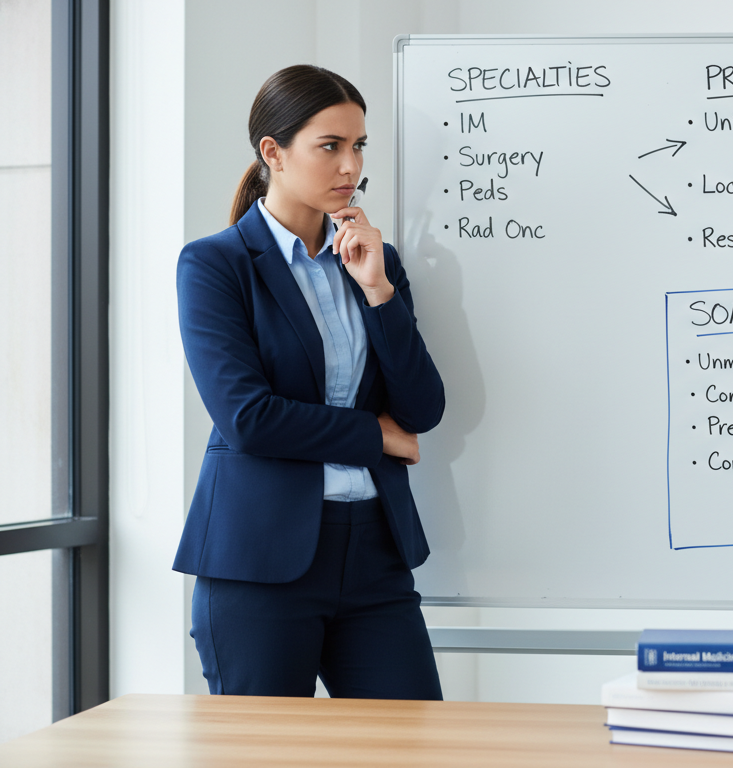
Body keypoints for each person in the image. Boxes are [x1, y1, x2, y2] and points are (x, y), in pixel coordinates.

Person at [174, 64, 443, 700]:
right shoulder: (215, 265)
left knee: (417, 748)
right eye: (330, 146)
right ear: (274, 152)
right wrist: (373, 436)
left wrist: (378, 291)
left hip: (376, 553)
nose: (350, 167)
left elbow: (423, 407)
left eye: (358, 147)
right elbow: (249, 419)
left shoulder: (375, 260)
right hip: (261, 560)